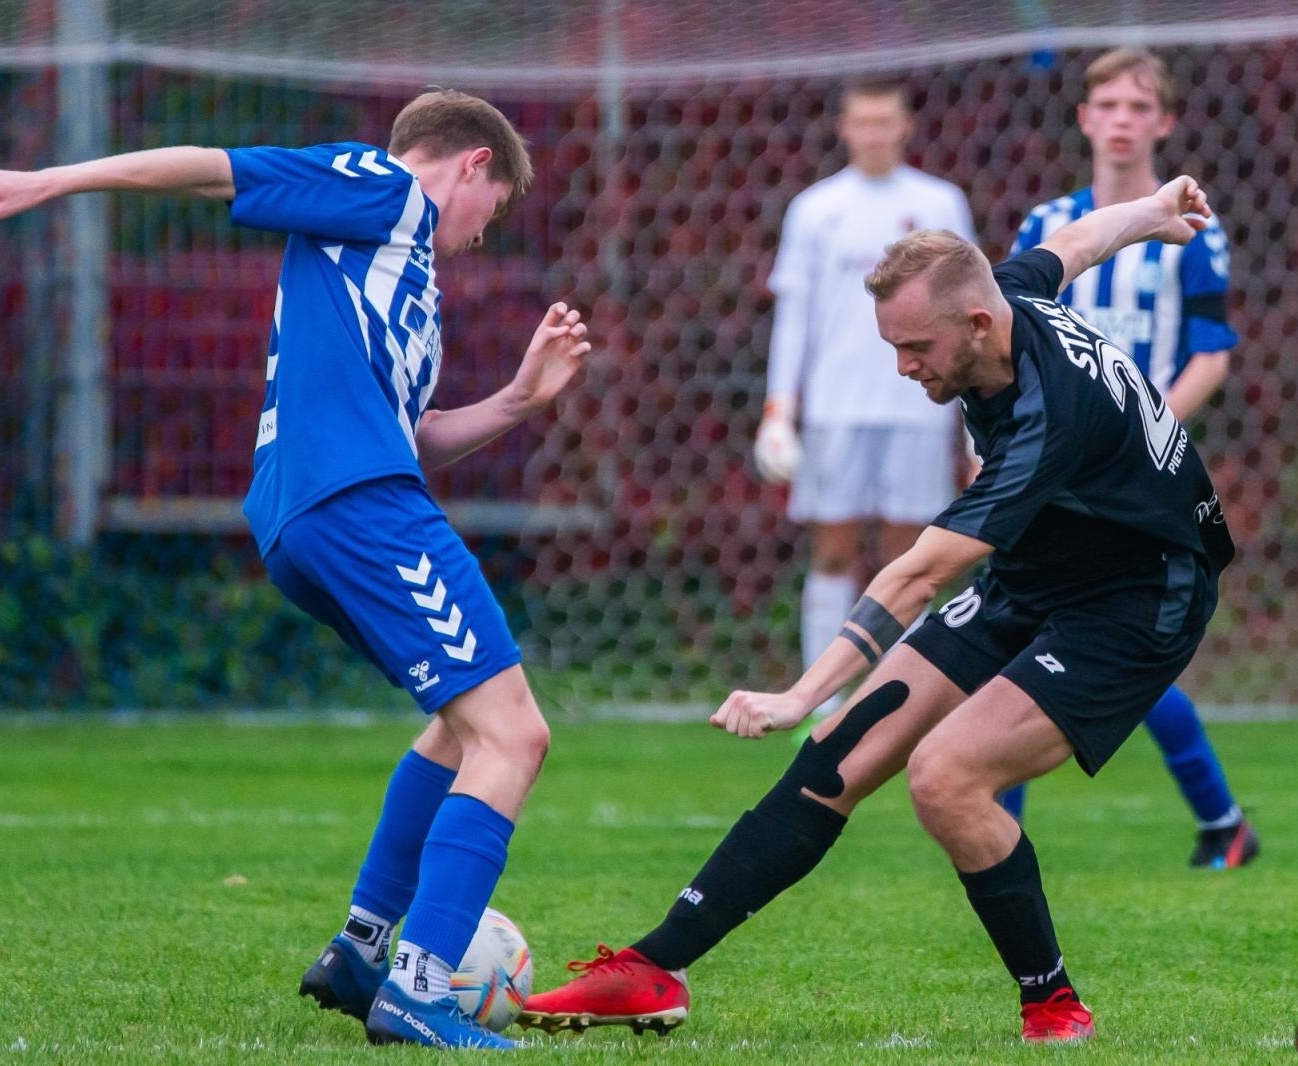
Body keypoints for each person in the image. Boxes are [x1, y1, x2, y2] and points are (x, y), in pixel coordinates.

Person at [520, 177, 1233, 1044]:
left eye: (916, 347)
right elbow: (1079, 243)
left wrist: (797, 694)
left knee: (946, 777)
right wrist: (1150, 215)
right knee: (837, 756)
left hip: (1139, 597)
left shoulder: (1050, 417)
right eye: (892, 345)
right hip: (1044, 573)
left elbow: (915, 578)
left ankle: (1054, 1006)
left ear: (977, 325)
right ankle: (652, 970)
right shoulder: (1004, 296)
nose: (903, 367)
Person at [0, 89, 591, 1051]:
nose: (478, 237)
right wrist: (51, 181)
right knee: (517, 734)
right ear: (471, 165)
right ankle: (420, 989)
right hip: (357, 506)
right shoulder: (387, 190)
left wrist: (517, 401)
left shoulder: (399, 277)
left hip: (312, 517)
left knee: (465, 727)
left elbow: (414, 436)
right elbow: (215, 170)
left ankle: (362, 955)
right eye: (489, 213)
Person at [999, 48, 1257, 870]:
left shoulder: (1190, 232)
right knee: (1034, 633)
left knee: (1092, 640)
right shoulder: (1046, 225)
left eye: (1139, 107)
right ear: (1083, 119)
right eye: (1107, 104)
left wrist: (1141, 433)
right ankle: (1221, 823)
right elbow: (1005, 345)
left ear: (1164, 122)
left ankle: (1220, 824)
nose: (1121, 120)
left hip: (1140, 479)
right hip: (1048, 467)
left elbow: (1211, 353)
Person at [754, 80, 975, 717]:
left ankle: (899, 704)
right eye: (863, 122)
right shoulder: (816, 208)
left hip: (919, 408)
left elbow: (969, 316)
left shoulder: (940, 202)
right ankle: (822, 706)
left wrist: (971, 430)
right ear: (844, 128)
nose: (874, 134)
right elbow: (794, 317)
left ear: (905, 126)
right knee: (833, 550)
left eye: (885, 121)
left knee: (912, 558)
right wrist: (779, 411)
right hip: (835, 409)